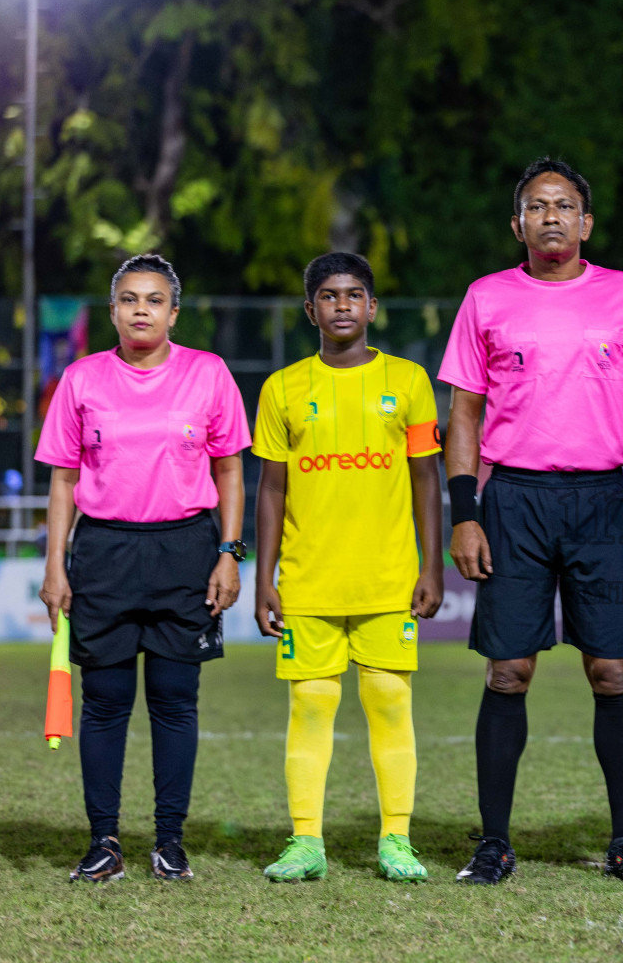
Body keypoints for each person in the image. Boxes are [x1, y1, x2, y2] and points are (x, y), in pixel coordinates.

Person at [440, 158, 623, 885]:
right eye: (537, 206)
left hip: (603, 500)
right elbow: (465, 414)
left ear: (586, 223)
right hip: (513, 499)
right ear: (518, 224)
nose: (551, 217)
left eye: (564, 206)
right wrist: (465, 513)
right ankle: (495, 843)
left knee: (611, 669)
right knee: (509, 671)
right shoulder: (486, 298)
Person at [37, 254, 250, 882]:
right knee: (103, 703)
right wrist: (56, 566)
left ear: (173, 312)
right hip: (102, 552)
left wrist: (229, 554)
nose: (140, 310)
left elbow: (231, 471)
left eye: (154, 300)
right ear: (112, 311)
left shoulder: (208, 374)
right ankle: (104, 841)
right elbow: (63, 480)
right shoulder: (82, 379)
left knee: (175, 701)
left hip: (185, 550)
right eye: (128, 299)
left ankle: (169, 841)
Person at [253, 252, 445, 883]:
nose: (342, 305)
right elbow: (271, 490)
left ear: (372, 307)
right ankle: (306, 841)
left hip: (388, 576)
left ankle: (397, 839)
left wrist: (431, 565)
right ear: (311, 310)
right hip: (307, 580)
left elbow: (425, 478)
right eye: (329, 296)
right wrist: (264, 577)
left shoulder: (410, 380)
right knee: (310, 706)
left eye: (354, 294)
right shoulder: (283, 388)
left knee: (390, 702)